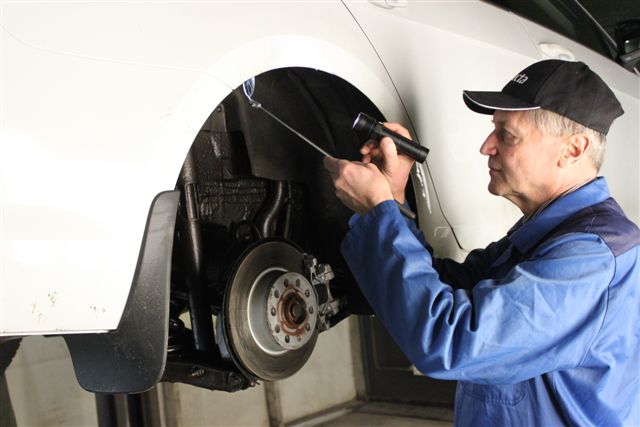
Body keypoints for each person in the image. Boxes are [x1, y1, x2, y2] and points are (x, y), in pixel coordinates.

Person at [323, 60, 640, 426]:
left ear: (572, 150)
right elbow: (445, 286)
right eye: (494, 130)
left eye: (507, 135)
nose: (486, 147)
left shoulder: (589, 259)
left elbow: (449, 341)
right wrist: (393, 200)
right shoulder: (549, 234)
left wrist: (380, 213)